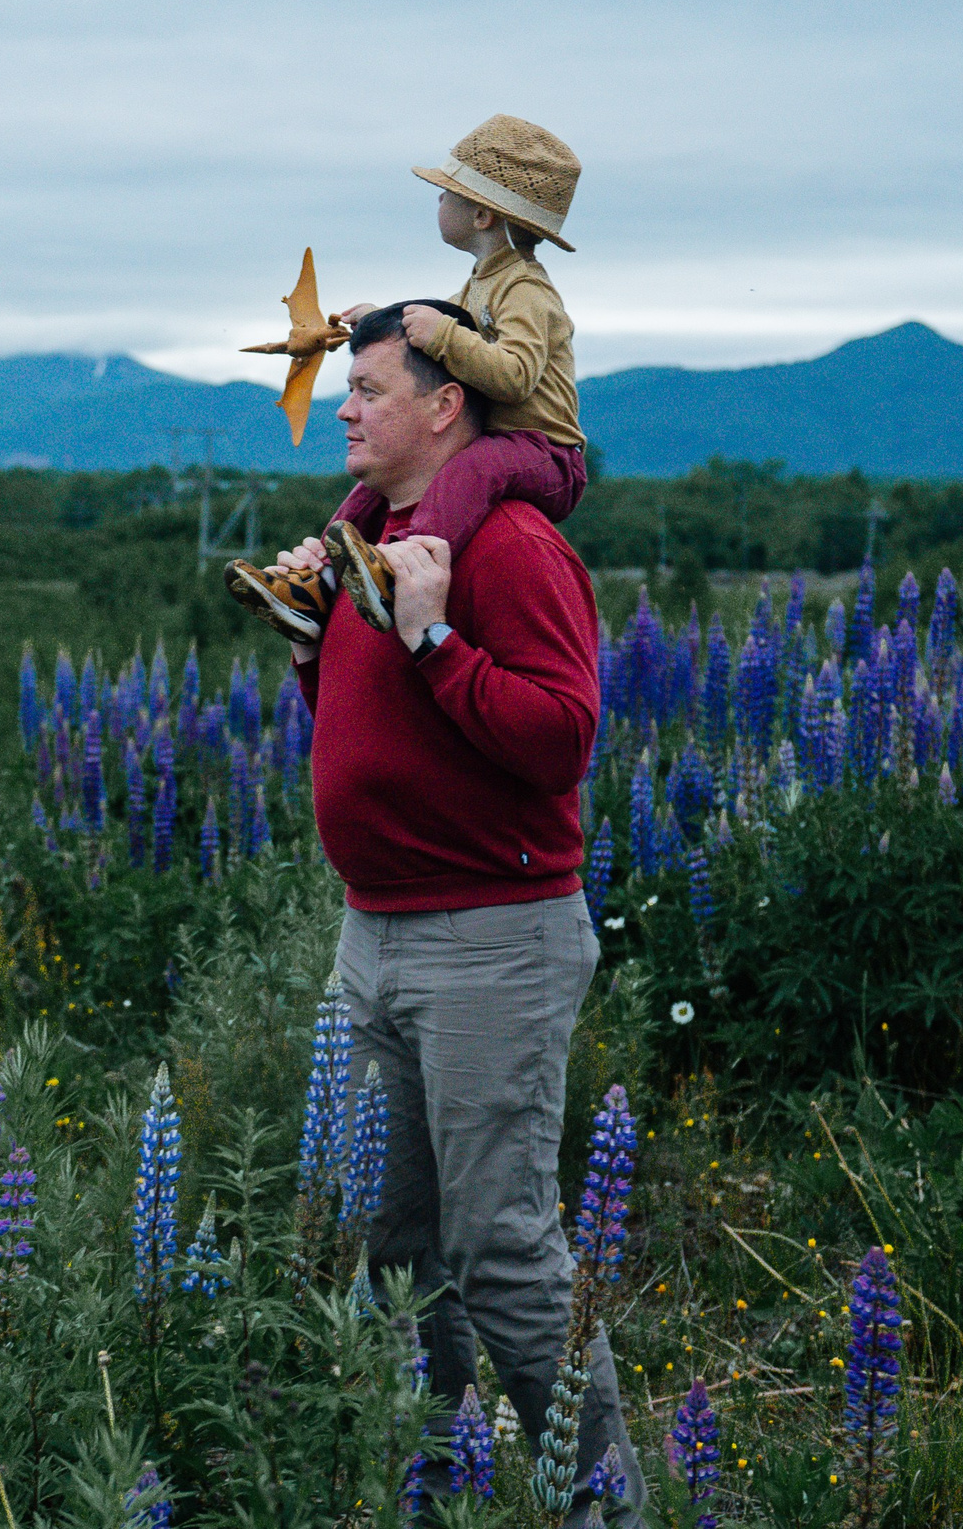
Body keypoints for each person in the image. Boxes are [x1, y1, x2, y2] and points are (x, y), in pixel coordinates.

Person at [271, 303, 646, 1525]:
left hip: (490, 935)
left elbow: (559, 739)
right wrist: (304, 639)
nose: (346, 406)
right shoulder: (369, 535)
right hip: (369, 929)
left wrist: (431, 634)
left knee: (501, 1249)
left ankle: (603, 1509)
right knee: (385, 1244)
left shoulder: (508, 545)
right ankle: (433, 1491)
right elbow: (361, 721)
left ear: (445, 404)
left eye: (370, 388)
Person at [227, 113, 586, 644]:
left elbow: (512, 378)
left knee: (472, 470)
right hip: (501, 443)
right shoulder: (481, 285)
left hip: (545, 451)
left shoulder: (527, 290)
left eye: (446, 194)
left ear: (482, 214)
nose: (438, 203)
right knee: (367, 494)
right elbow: (451, 340)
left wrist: (441, 335)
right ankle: (315, 588)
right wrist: (384, 321)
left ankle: (400, 574)